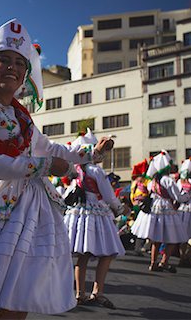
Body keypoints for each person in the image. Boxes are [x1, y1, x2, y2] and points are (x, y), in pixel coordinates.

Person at [0, 19, 113, 320]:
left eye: (20, 63)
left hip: (27, 206)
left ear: (26, 73)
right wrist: (45, 166)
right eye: (4, 60)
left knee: (20, 290)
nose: (12, 68)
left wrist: (91, 154)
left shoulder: (21, 116)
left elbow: (52, 148)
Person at [63, 128, 127, 310]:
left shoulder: (76, 171)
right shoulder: (95, 171)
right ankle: (97, 292)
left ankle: (79, 294)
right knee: (107, 253)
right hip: (96, 214)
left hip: (78, 214)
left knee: (82, 255)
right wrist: (119, 208)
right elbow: (108, 195)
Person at [131, 150, 190, 273]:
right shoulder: (167, 180)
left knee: (156, 238)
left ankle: (153, 263)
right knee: (172, 238)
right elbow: (177, 197)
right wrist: (187, 196)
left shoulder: (152, 181)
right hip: (166, 208)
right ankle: (164, 262)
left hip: (154, 207)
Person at [129, 159, 150, 256]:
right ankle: (140, 247)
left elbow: (132, 194)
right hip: (144, 206)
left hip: (137, 205)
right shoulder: (146, 181)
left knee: (139, 226)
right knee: (142, 226)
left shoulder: (135, 182)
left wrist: (134, 202)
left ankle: (139, 247)